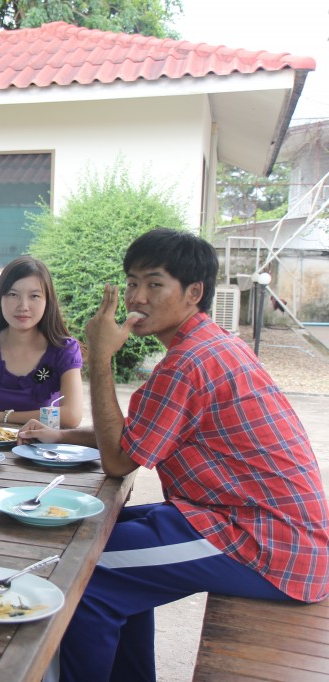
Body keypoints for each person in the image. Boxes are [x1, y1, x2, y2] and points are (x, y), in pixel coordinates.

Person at [19, 228, 329, 682]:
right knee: (87, 533)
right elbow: (132, 439)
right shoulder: (208, 346)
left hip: (265, 542)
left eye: (154, 284)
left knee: (83, 579)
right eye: (131, 282)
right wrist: (55, 435)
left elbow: (120, 461)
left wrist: (100, 360)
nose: (136, 298)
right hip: (234, 518)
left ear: (194, 293)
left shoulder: (189, 363)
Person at [0, 255, 83, 427]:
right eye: (13, 294)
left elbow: (71, 415)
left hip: (41, 451)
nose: (23, 305)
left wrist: (5, 417)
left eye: (34, 296)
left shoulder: (64, 350)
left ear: (48, 302)